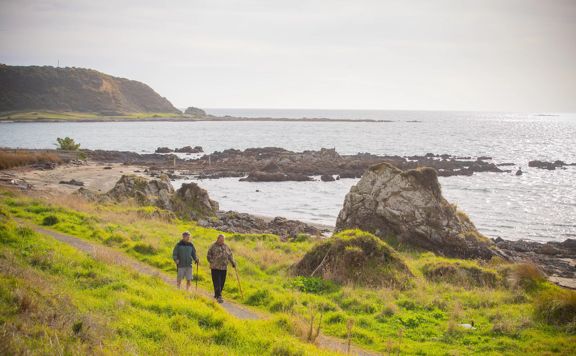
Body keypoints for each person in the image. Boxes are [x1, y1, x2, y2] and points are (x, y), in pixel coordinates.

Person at [207, 234, 236, 303]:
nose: (222, 241)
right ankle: (219, 296)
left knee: (222, 282)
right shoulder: (213, 246)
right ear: (217, 239)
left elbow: (230, 255)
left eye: (223, 240)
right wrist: (212, 261)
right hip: (215, 267)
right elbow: (208, 255)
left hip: (224, 267)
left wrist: (233, 263)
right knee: (217, 282)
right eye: (220, 239)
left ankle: (217, 295)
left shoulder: (226, 247)